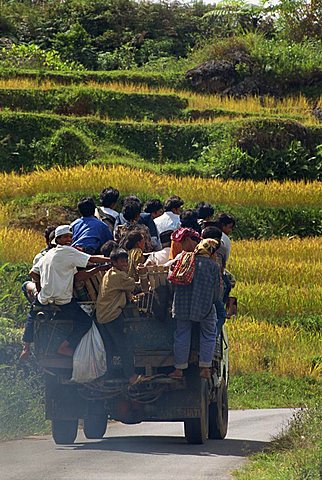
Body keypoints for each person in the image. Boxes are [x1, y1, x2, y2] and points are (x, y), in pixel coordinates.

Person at [20, 225, 110, 360]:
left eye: (70, 236)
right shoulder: (68, 252)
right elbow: (91, 259)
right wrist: (110, 260)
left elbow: (33, 272)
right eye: (65, 237)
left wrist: (40, 289)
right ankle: (65, 346)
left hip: (44, 299)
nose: (69, 239)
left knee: (32, 316)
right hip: (63, 301)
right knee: (85, 322)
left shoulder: (48, 254)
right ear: (58, 239)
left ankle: (26, 348)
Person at [169, 238, 221, 379]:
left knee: (182, 334)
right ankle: (205, 368)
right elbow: (217, 293)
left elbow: (172, 280)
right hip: (205, 306)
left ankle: (179, 370)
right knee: (209, 334)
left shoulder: (185, 260)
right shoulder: (213, 266)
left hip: (182, 305)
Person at [96, 248, 144, 385]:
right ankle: (131, 376)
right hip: (112, 315)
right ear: (114, 262)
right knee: (124, 346)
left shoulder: (109, 274)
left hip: (102, 315)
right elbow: (135, 285)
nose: (125, 264)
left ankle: (107, 376)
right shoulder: (118, 275)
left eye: (126, 261)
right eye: (122, 261)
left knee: (109, 347)